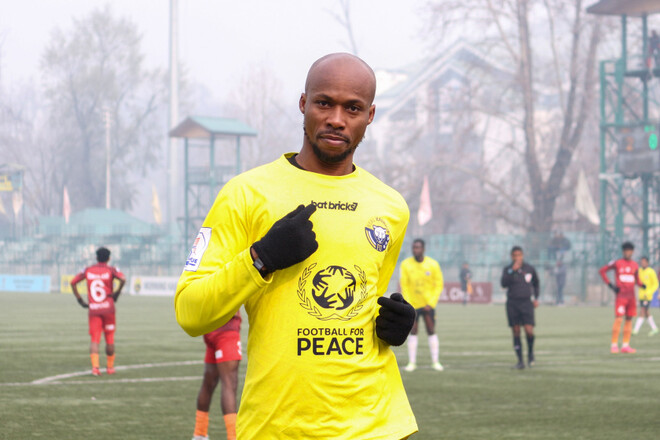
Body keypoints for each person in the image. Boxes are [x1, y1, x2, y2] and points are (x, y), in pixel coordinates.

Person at [175, 53, 418, 439]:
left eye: (352, 108)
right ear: (303, 104)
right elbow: (190, 312)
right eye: (325, 103)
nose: (337, 118)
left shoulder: (391, 206)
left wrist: (392, 326)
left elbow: (363, 301)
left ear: (369, 116)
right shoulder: (245, 194)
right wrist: (261, 258)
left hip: (378, 424)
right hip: (277, 427)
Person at [71, 247, 126, 376]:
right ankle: (110, 368)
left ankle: (95, 368)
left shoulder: (88, 270)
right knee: (110, 339)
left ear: (96, 258)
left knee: (95, 339)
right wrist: (117, 293)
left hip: (94, 309)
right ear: (109, 258)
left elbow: (73, 282)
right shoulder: (111, 270)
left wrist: (80, 299)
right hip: (108, 309)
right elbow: (123, 279)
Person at [192, 311, 242, 440]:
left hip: (209, 327)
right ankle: (233, 437)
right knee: (229, 384)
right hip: (227, 327)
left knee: (209, 382)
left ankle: (199, 433)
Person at [399, 239, 444, 372]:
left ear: (423, 249)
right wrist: (408, 303)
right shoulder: (406, 264)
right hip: (413, 305)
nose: (415, 250)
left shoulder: (433, 264)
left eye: (418, 247)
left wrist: (431, 302)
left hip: (428, 304)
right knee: (413, 331)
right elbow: (404, 285)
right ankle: (412, 363)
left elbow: (439, 284)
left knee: (431, 330)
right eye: (414, 247)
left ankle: (435, 362)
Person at [599, 242, 645, 354]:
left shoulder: (635, 265)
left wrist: (642, 285)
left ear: (632, 252)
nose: (627, 252)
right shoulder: (617, 263)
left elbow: (637, 279)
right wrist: (611, 286)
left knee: (629, 319)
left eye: (629, 250)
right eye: (625, 250)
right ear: (623, 251)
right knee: (619, 319)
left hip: (631, 297)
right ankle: (614, 345)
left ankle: (625, 345)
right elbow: (602, 271)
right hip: (621, 296)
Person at [500, 246, 539, 369]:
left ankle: (531, 354)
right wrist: (512, 271)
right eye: (515, 255)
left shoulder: (529, 269)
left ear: (522, 256)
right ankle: (520, 361)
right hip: (512, 303)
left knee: (529, 330)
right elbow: (503, 283)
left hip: (526, 303)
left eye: (519, 255)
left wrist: (536, 298)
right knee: (516, 331)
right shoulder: (508, 269)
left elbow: (536, 284)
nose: (517, 258)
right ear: (512, 256)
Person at [633, 256, 659, 337]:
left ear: (647, 262)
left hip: (647, 296)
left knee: (642, 311)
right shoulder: (639, 271)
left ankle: (635, 330)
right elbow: (636, 281)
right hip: (641, 295)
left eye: (644, 261)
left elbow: (656, 284)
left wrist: (650, 292)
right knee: (647, 313)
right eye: (641, 261)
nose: (642, 263)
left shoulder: (651, 272)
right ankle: (654, 328)